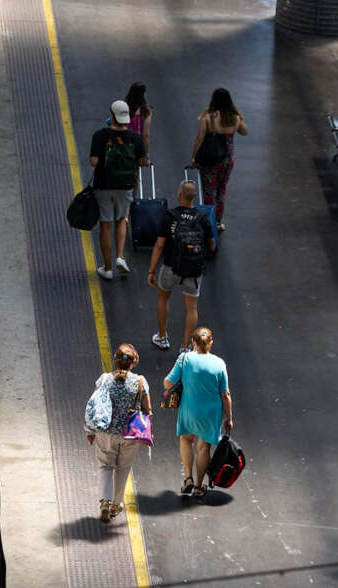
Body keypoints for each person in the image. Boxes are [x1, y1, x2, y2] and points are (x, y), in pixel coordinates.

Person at [146, 180, 215, 353]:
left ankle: (162, 337)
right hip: (193, 270)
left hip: (170, 266)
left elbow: (160, 245)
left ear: (179, 195)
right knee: (192, 308)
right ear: (194, 197)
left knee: (163, 298)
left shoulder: (170, 216)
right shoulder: (202, 217)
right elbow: (212, 245)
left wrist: (151, 270)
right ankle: (185, 347)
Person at [163, 327, 232, 499]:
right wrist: (229, 418)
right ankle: (199, 487)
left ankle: (188, 479)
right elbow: (225, 394)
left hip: (188, 409)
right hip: (211, 413)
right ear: (211, 343)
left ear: (193, 342)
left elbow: (167, 383)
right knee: (203, 448)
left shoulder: (184, 358)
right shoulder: (219, 363)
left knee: (186, 440)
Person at [86, 344, 152, 522]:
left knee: (105, 466)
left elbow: (93, 406)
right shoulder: (140, 382)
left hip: (106, 433)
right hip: (130, 434)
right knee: (123, 468)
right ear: (134, 362)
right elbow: (147, 409)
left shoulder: (105, 379)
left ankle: (105, 501)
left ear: (115, 358)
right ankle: (116, 504)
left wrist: (90, 430)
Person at [89, 100, 148, 280]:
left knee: (105, 224)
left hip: (104, 185)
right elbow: (141, 162)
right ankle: (120, 257)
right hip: (125, 185)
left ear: (112, 115)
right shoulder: (135, 138)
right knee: (121, 219)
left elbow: (93, 162)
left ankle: (107, 268)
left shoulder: (100, 135)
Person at [188, 88, 248, 233]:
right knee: (221, 190)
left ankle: (209, 221)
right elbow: (244, 131)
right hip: (228, 159)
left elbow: (199, 139)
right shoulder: (235, 117)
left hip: (210, 160)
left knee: (209, 191)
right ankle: (218, 221)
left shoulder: (208, 117)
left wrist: (194, 158)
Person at [124, 82, 152, 152]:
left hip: (123, 144)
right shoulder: (146, 111)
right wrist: (146, 155)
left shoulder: (123, 107)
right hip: (137, 147)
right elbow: (145, 135)